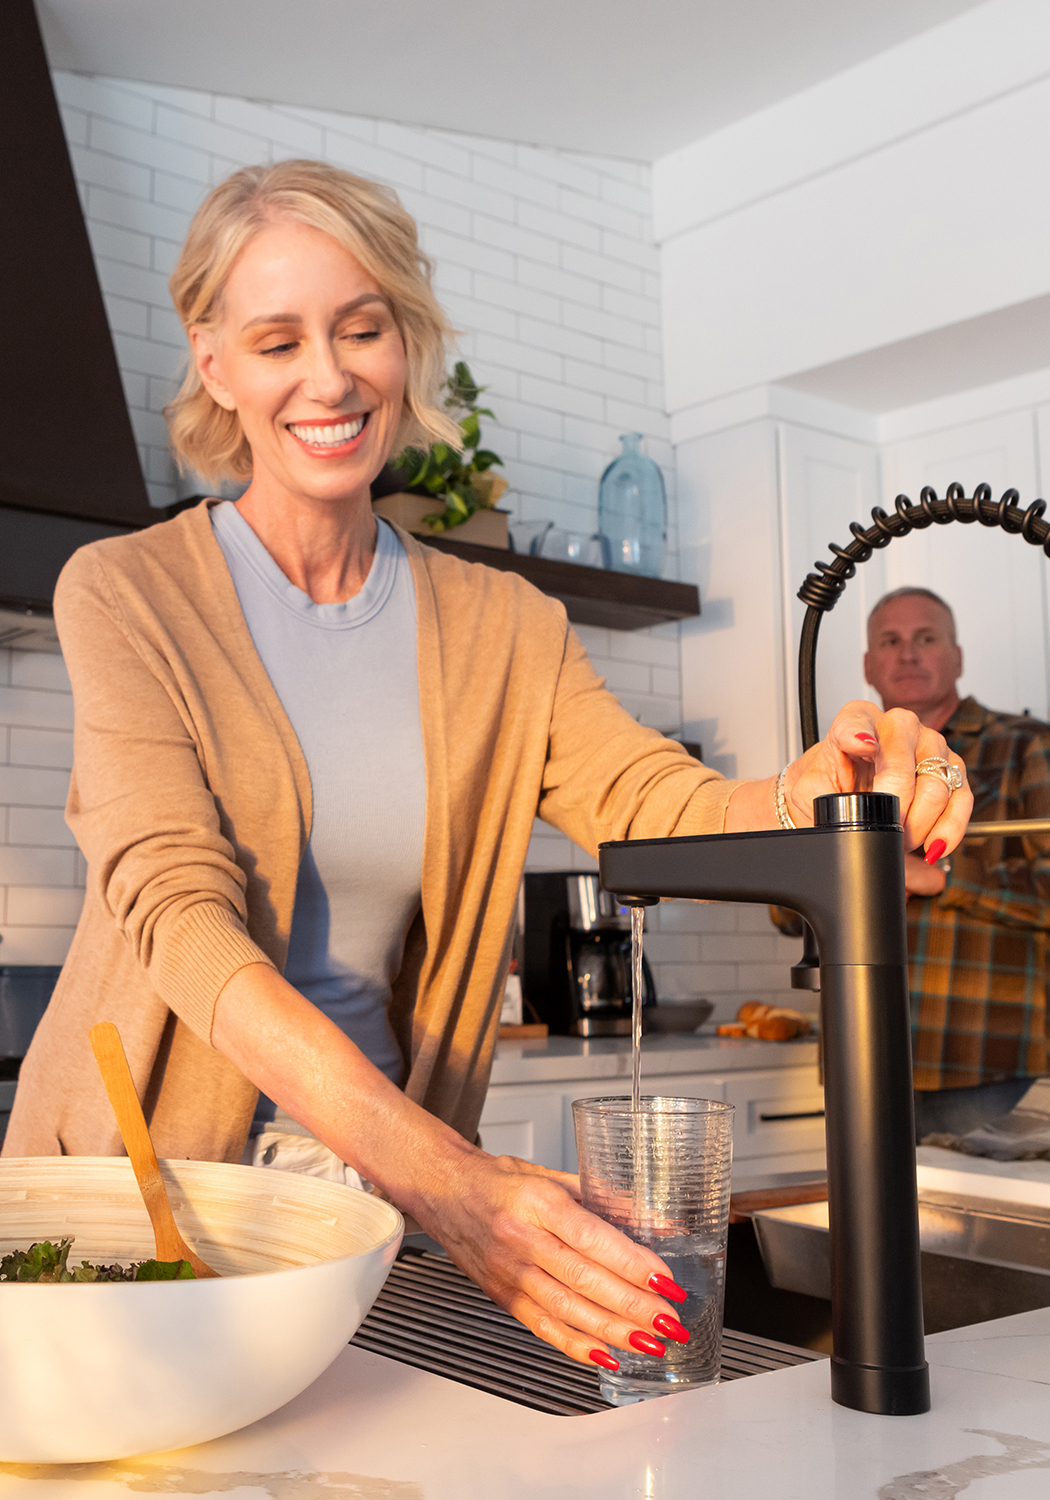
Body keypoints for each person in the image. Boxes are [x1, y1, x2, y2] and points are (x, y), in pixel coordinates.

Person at [4, 161, 971, 1374]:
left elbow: (650, 800)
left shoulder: (504, 625)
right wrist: (446, 1180)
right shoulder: (130, 592)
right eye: (277, 340)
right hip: (145, 1194)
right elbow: (179, 920)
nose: (329, 376)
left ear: (404, 337)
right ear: (215, 365)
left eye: (363, 327)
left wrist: (823, 786)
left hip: (366, 1190)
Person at [863, 586, 1050, 1140]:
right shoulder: (849, 765)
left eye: (926, 637)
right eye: (890, 641)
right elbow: (785, 910)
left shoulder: (1024, 746)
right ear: (869, 666)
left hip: (987, 1066)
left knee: (989, 1224)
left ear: (958, 656)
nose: (908, 654)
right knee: (877, 1228)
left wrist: (941, 877)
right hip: (868, 1061)